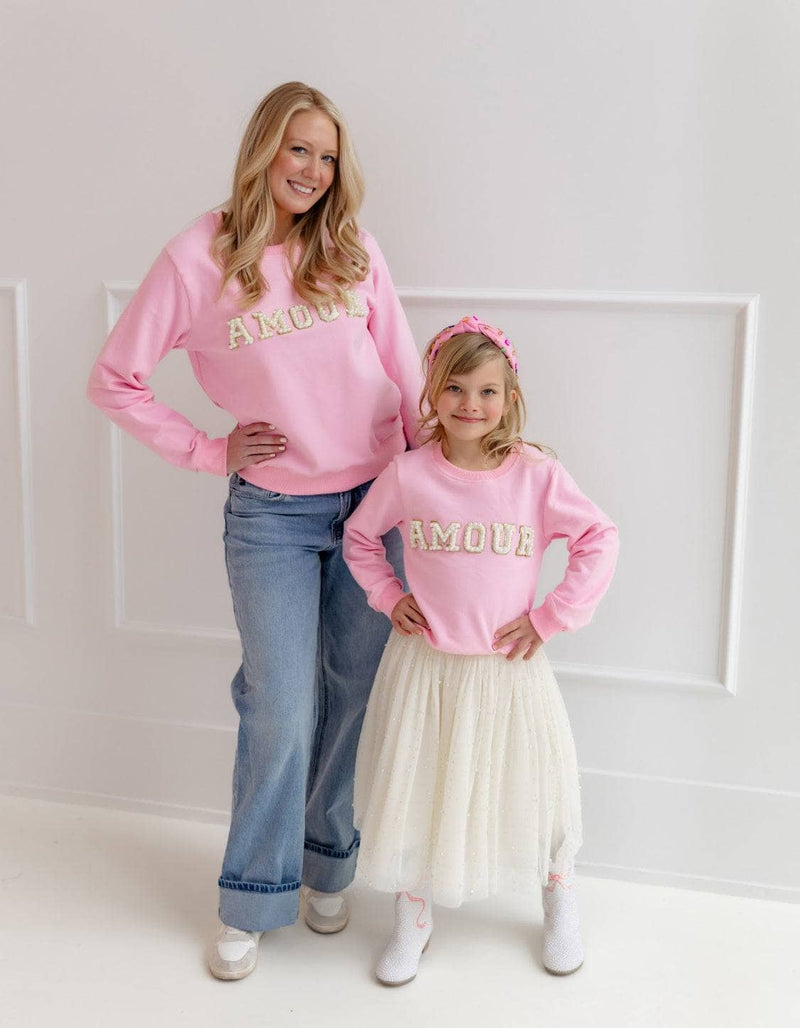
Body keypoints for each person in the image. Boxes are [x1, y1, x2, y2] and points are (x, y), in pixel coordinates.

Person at [87, 82, 423, 980]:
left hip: (375, 505)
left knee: (352, 693)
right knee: (279, 705)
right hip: (273, 515)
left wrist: (427, 483)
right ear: (264, 149)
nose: (312, 170)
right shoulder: (199, 256)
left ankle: (327, 862)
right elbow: (115, 378)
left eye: (328, 156)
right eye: (298, 149)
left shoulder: (351, 249)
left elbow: (402, 367)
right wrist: (208, 450)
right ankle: (251, 895)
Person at [343, 315, 619, 984]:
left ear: (509, 398)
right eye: (455, 388)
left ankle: (558, 894)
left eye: (487, 391)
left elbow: (598, 538)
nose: (471, 404)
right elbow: (360, 537)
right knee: (418, 788)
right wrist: (387, 594)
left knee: (536, 785)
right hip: (426, 668)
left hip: (508, 669)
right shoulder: (409, 473)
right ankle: (413, 914)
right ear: (432, 394)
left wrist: (551, 617)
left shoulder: (536, 474)